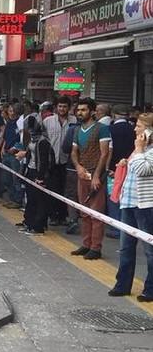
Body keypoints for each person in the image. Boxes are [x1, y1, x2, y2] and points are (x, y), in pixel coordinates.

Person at [109, 113, 153, 301]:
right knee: (125, 247)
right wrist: (126, 162)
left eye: (140, 127)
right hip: (128, 203)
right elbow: (135, 167)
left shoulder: (144, 149)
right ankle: (122, 284)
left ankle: (150, 289)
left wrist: (139, 150)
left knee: (149, 250)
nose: (135, 129)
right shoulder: (138, 149)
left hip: (145, 206)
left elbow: (144, 170)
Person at [70, 98, 111, 261]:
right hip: (82, 174)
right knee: (84, 211)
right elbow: (74, 152)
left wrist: (96, 176)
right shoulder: (77, 130)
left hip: (96, 175)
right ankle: (86, 244)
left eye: (84, 110)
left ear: (92, 111)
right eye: (78, 110)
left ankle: (96, 248)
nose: (80, 113)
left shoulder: (102, 129)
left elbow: (104, 153)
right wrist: (78, 167)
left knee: (96, 213)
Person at [44, 96, 77, 226]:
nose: (62, 109)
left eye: (64, 106)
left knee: (66, 190)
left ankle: (63, 216)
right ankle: (53, 216)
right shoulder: (47, 121)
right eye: (60, 106)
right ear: (56, 108)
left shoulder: (74, 122)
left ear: (69, 108)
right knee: (52, 189)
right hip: (52, 162)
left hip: (68, 162)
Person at [18, 116, 54, 235]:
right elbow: (29, 155)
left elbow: (43, 161)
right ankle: (28, 222)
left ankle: (38, 226)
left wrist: (40, 177)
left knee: (39, 200)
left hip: (39, 174)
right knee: (31, 198)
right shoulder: (33, 139)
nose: (29, 130)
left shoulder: (43, 141)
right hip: (31, 171)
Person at [106, 105, 135, 237]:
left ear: (114, 114)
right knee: (127, 196)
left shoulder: (109, 129)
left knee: (114, 196)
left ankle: (115, 228)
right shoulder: (134, 130)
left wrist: (110, 168)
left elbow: (109, 151)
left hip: (115, 169)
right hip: (131, 167)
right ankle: (128, 227)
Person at [2, 104, 24, 208]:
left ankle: (17, 200)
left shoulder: (20, 124)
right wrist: (2, 148)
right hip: (6, 153)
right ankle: (11, 198)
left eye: (13, 111)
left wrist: (16, 147)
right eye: (10, 111)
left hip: (15, 155)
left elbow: (22, 139)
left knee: (16, 179)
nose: (12, 113)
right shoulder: (8, 124)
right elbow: (5, 138)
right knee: (7, 178)